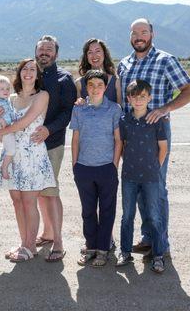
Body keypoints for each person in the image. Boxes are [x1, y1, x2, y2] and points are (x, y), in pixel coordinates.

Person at [117, 18, 190, 257]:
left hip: (155, 133)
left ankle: (161, 243)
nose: (139, 36)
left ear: (152, 34)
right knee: (138, 186)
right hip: (131, 133)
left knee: (156, 187)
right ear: (130, 36)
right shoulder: (124, 64)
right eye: (134, 33)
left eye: (143, 32)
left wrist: (165, 109)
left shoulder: (165, 60)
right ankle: (148, 238)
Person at [0, 59, 58, 263]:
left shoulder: (42, 96)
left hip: (32, 155)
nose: (28, 72)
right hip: (13, 156)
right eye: (25, 69)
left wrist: (4, 130)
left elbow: (25, 121)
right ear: (19, 73)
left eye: (33, 69)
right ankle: (24, 242)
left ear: (37, 74)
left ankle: (30, 246)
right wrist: (0, 126)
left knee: (30, 202)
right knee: (17, 202)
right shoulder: (10, 98)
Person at [70, 70, 122, 267]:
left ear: (106, 87)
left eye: (99, 85)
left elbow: (118, 140)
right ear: (85, 87)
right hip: (84, 167)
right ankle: (90, 246)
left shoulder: (114, 109)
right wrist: (75, 164)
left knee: (107, 210)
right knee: (88, 210)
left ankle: (103, 249)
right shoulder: (79, 109)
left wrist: (114, 165)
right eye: (91, 85)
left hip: (106, 168)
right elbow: (75, 139)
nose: (95, 88)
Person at [32, 35, 76, 259]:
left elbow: (68, 112)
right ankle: (48, 233)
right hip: (30, 146)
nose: (44, 53)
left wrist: (49, 129)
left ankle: (58, 241)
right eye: (41, 50)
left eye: (49, 50)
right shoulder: (31, 75)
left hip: (51, 144)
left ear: (56, 54)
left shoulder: (64, 79)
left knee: (50, 193)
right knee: (40, 192)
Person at [117, 80, 168, 273]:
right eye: (134, 97)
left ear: (149, 97)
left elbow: (163, 147)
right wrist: (128, 162)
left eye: (142, 97)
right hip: (129, 176)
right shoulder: (124, 120)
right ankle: (125, 252)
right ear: (128, 98)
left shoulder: (156, 120)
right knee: (127, 215)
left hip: (151, 177)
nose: (138, 101)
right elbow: (122, 146)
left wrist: (155, 167)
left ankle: (158, 255)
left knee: (154, 216)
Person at [75, 38, 122, 104]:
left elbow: (120, 111)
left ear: (104, 53)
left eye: (98, 51)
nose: (94, 56)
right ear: (86, 56)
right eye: (90, 52)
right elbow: (78, 111)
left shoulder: (116, 82)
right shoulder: (79, 83)